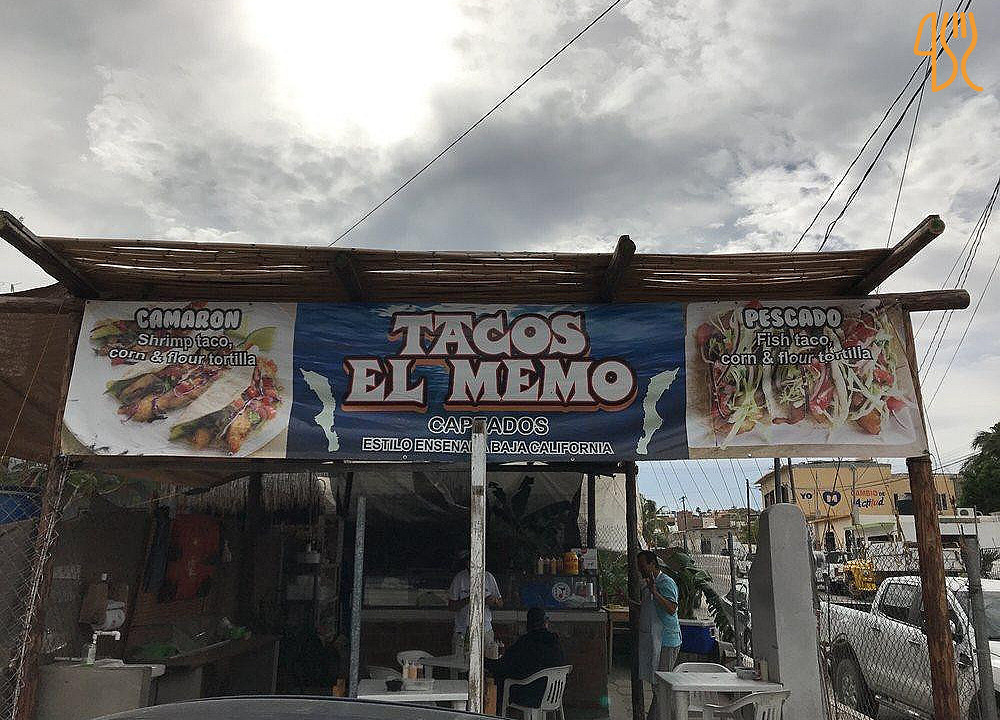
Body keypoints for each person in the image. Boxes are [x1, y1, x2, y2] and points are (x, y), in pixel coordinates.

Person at [486, 607, 565, 708]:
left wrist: (483, 661)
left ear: (528, 624)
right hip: (553, 695)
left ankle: (496, 712)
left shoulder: (526, 642)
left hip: (532, 696)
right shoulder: (555, 642)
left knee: (500, 680)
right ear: (546, 623)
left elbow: (504, 665)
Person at [636, 550, 681, 720]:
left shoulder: (666, 583)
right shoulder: (648, 584)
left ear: (652, 564)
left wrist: (655, 593)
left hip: (667, 640)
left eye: (643, 565)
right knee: (656, 685)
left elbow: (671, 609)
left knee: (662, 686)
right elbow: (648, 608)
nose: (640, 569)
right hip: (653, 639)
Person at [448, 552, 503, 657]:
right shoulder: (459, 578)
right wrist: (470, 599)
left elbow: (500, 603)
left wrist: (492, 601)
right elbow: (451, 606)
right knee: (460, 663)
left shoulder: (488, 577)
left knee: (488, 662)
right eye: (470, 562)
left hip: (485, 630)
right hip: (463, 630)